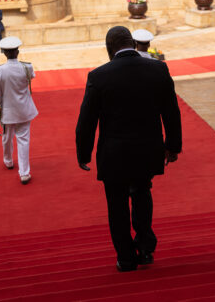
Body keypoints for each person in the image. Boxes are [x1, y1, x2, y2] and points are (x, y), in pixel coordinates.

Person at [75, 26, 182, 272]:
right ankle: (145, 248)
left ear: (109, 49)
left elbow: (87, 120)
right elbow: (171, 111)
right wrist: (173, 146)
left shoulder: (98, 76)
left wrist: (83, 152)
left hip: (114, 154)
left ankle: (125, 257)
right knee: (143, 193)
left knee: (117, 204)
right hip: (147, 149)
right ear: (133, 44)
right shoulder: (158, 68)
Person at [0, 36, 38, 184]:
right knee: (23, 140)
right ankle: (24, 173)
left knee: (7, 137)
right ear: (17, 52)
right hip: (24, 109)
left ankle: (8, 160)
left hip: (8, 110)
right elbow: (31, 78)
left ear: (4, 53)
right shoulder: (27, 67)